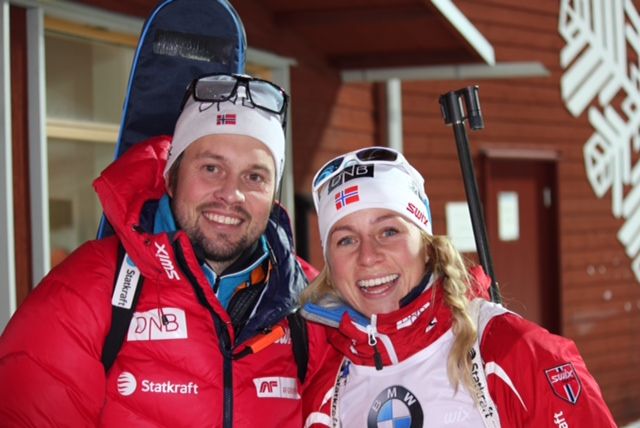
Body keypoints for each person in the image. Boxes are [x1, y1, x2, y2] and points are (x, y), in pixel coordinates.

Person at [0, 73, 327, 427]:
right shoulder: (90, 288)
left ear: (273, 195)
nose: (231, 194)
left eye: (254, 177)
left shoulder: (312, 305)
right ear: (171, 178)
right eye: (211, 168)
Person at [300, 147, 616, 427]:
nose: (368, 256)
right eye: (346, 240)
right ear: (329, 263)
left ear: (426, 244)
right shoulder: (326, 392)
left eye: (388, 232)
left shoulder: (511, 351)